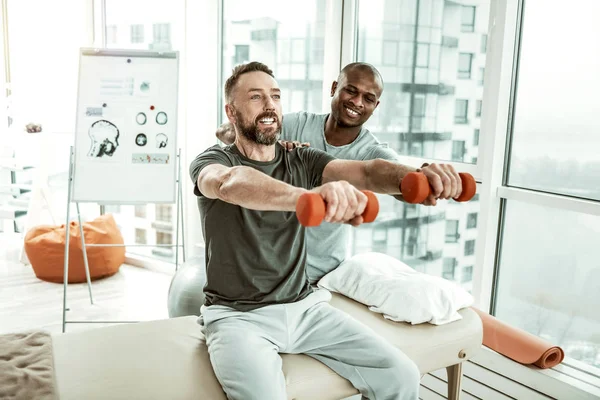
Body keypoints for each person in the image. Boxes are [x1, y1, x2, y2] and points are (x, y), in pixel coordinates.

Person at [191, 61, 462, 400]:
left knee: (401, 374)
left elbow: (367, 172)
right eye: (256, 97)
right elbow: (231, 184)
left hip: (305, 308)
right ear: (232, 112)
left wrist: (420, 177)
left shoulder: (302, 159)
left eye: (275, 96)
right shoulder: (213, 161)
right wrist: (307, 197)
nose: (270, 104)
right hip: (238, 317)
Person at [280, 62, 460, 283]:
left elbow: (389, 177)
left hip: (318, 277)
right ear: (334, 87)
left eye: (368, 98)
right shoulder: (296, 124)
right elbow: (240, 136)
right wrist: (274, 149)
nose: (357, 102)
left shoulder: (371, 151)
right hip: (272, 265)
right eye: (351, 90)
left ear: (376, 105)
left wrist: (423, 176)